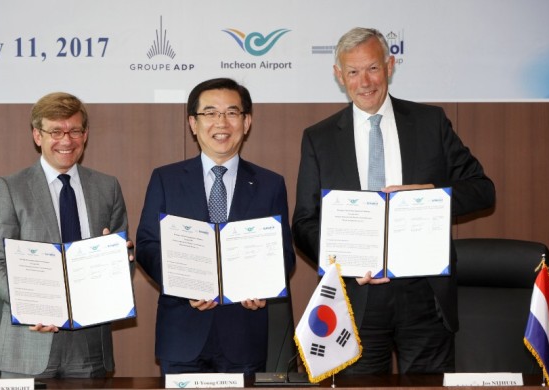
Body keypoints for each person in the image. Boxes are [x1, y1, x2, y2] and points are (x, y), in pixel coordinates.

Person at [292, 27, 495, 374]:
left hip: (425, 295)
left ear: (390, 64)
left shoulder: (430, 122)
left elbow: (482, 189)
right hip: (355, 300)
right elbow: (304, 223)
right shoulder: (319, 138)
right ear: (339, 76)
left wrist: (430, 193)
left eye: (372, 68)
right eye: (353, 72)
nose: (364, 81)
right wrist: (344, 263)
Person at [136, 78, 296, 375]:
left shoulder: (270, 184)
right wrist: (182, 285)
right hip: (182, 334)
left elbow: (284, 254)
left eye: (232, 113)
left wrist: (262, 286)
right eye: (209, 113)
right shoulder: (166, 179)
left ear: (246, 122)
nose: (221, 122)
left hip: (244, 334)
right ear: (193, 124)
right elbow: (147, 246)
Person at [0, 92, 130, 378]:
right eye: (56, 131)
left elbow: (125, 259)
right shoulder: (10, 189)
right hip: (29, 340)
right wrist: (32, 307)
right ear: (37, 136)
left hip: (90, 347)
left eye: (75, 130)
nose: (67, 140)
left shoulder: (107, 187)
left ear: (85, 134)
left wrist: (121, 258)